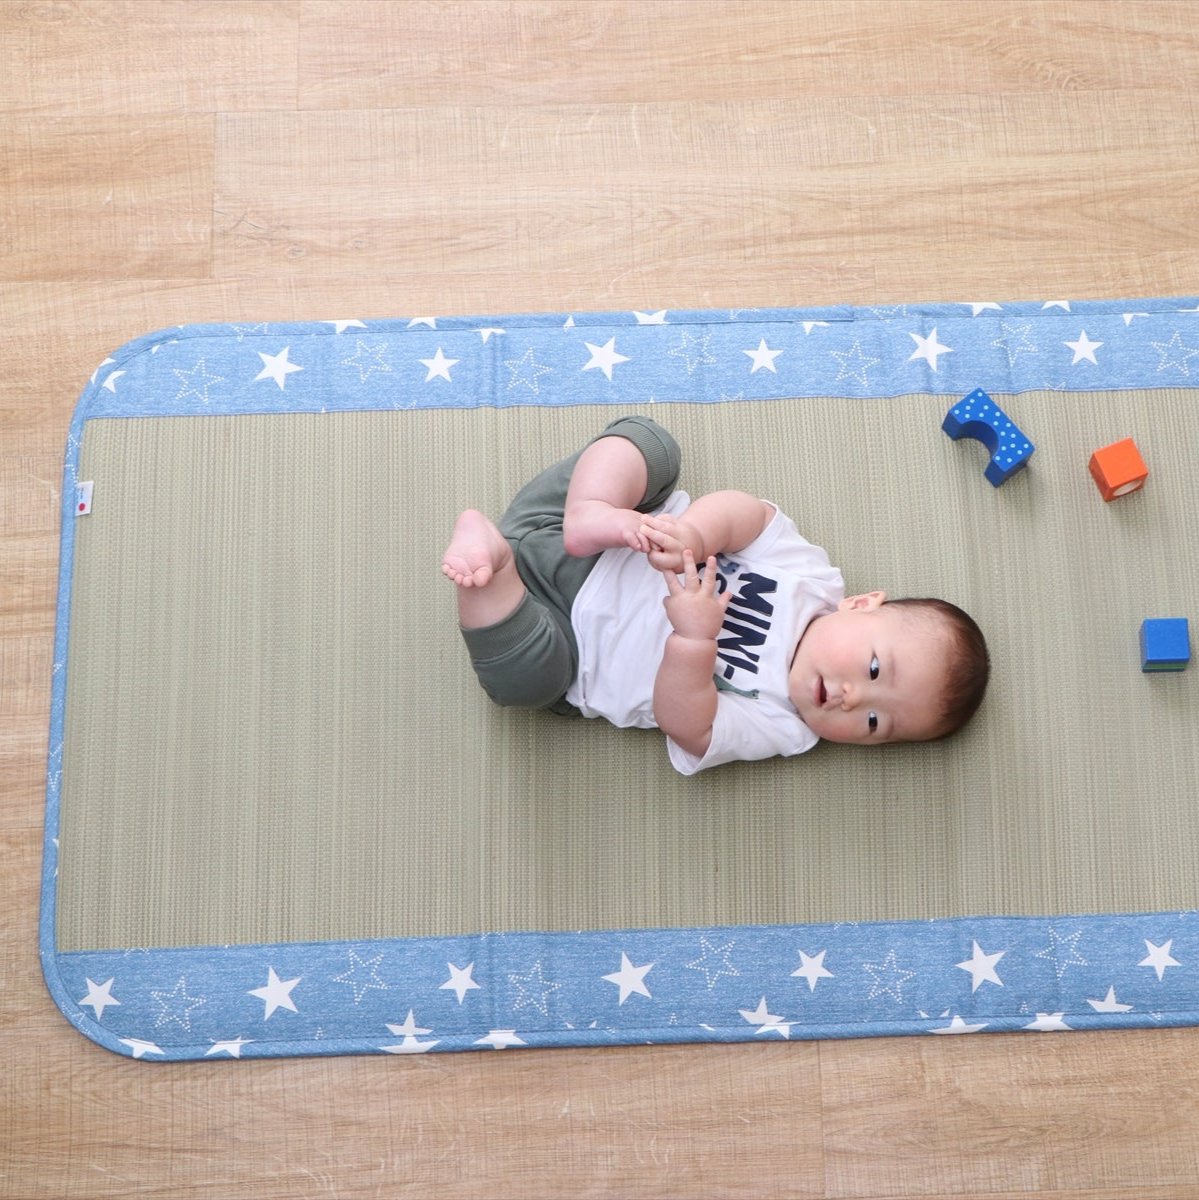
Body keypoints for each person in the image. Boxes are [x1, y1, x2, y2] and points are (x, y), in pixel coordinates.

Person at [441, 415, 989, 775]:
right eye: (873, 670)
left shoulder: (784, 725)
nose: (853, 699)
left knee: (524, 686)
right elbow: (748, 515)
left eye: (874, 724)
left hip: (565, 645)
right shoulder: (812, 580)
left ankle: (493, 569)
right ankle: (590, 507)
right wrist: (693, 535)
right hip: (600, 534)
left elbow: (691, 727)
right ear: (861, 604)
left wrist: (695, 639)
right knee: (651, 447)